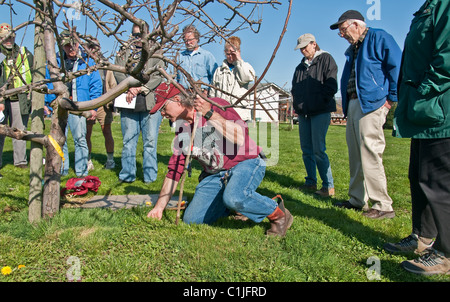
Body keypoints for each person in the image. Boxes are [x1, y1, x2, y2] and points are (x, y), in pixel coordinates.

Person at [146, 83, 293, 237]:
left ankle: (278, 214)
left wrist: (209, 114)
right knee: (192, 220)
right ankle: (234, 205)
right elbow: (175, 170)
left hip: (246, 163)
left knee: (235, 197)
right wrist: (159, 208)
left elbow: (239, 137)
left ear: (177, 100)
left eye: (163, 108)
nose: (162, 114)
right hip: (216, 174)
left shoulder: (215, 105)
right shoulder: (182, 129)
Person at [385, 0, 450, 275]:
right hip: (424, 110)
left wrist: (425, 89)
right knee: (419, 175)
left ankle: (446, 253)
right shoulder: (429, 5)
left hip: (439, 106)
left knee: (440, 181)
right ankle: (422, 238)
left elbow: (447, 54)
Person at [330, 10, 402, 219]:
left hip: (372, 104)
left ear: (356, 25)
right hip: (353, 103)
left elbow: (397, 67)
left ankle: (383, 205)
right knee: (355, 153)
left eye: (343, 30)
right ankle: (357, 199)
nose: (342, 35)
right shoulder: (353, 49)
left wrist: (390, 100)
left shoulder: (379, 37)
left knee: (370, 152)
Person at [45, 30, 102, 177]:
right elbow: (48, 82)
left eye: (74, 45)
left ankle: (81, 170)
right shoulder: (55, 62)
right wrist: (48, 102)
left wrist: (93, 107)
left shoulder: (86, 61)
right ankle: (62, 169)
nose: (71, 49)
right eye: (67, 46)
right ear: (62, 46)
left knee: (80, 139)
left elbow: (96, 85)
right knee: (59, 138)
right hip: (59, 106)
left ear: (78, 44)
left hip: (78, 106)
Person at [114, 24, 163, 183]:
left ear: (147, 34)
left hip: (149, 103)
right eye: (134, 34)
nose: (138, 38)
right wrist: (130, 87)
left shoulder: (156, 50)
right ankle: (127, 175)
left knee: (150, 142)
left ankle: (150, 177)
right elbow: (117, 71)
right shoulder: (124, 50)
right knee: (128, 141)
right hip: (128, 101)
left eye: (141, 34)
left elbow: (159, 75)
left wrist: (142, 88)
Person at [291, 33, 337, 197]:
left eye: (305, 47)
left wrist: (321, 101)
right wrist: (298, 105)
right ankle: (311, 182)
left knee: (319, 149)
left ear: (314, 44)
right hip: (304, 114)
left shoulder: (326, 59)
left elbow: (331, 84)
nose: (303, 50)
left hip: (320, 111)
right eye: (300, 48)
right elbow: (295, 88)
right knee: (306, 150)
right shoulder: (300, 67)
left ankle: (328, 186)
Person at [0, 23, 33, 176]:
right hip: (2, 99)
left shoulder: (24, 53)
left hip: (18, 98)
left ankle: (20, 162)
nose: (8, 40)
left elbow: (34, 72)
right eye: (5, 37)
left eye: (11, 37)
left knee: (19, 130)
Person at [85, 37, 116, 170]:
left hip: (104, 104)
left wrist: (111, 102)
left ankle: (110, 160)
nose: (94, 50)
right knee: (87, 133)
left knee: (107, 131)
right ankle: (88, 160)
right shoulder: (84, 63)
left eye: (96, 47)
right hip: (88, 103)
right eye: (90, 47)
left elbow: (113, 84)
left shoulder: (105, 65)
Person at [210, 36, 256, 122]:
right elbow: (213, 92)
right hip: (222, 114)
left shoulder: (245, 67)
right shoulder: (219, 71)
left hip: (240, 115)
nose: (230, 57)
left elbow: (246, 78)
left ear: (238, 52)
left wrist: (239, 60)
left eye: (233, 54)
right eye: (228, 54)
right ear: (224, 53)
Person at [176, 25, 218, 94]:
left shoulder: (207, 56)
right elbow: (175, 77)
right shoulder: (179, 57)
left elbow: (215, 76)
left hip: (201, 93)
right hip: (183, 94)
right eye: (185, 40)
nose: (188, 43)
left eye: (190, 40)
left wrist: (208, 92)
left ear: (197, 39)